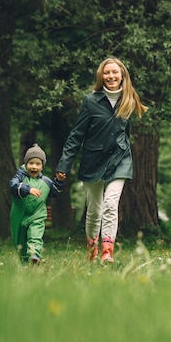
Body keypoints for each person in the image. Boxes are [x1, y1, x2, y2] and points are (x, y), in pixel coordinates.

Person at [55, 57, 148, 263]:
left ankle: (107, 251)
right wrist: (64, 165)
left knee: (110, 204)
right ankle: (92, 248)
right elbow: (76, 135)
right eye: (107, 73)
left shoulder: (129, 99)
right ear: (101, 76)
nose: (111, 76)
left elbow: (125, 132)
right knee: (95, 211)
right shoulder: (91, 101)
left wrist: (124, 151)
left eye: (115, 72)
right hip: (93, 160)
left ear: (122, 75)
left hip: (119, 160)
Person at [9, 143, 65, 265]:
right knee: (20, 242)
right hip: (20, 216)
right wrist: (27, 190)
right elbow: (12, 186)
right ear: (25, 164)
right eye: (31, 163)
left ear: (42, 166)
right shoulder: (19, 178)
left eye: (38, 164)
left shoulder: (45, 182)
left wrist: (59, 181)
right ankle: (24, 262)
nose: (34, 166)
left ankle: (34, 255)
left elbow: (54, 192)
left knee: (35, 235)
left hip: (37, 216)